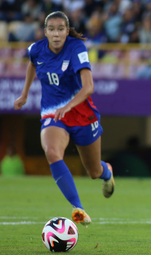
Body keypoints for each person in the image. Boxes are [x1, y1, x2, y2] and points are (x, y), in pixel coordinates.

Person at [14, 11, 115, 227]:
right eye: (52, 29)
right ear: (45, 32)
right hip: (53, 114)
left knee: (94, 171)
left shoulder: (76, 48)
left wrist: (67, 106)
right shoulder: (36, 49)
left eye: (61, 29)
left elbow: (89, 87)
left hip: (81, 114)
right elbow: (33, 63)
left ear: (67, 31)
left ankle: (107, 172)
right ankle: (78, 208)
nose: (56, 34)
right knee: (52, 152)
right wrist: (24, 94)